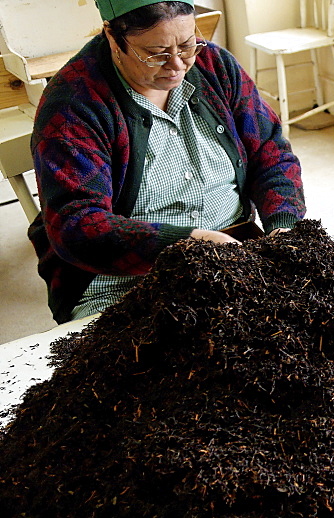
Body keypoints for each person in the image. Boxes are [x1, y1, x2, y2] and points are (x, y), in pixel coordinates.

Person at [29, 0, 306, 323]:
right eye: (156, 53)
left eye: (188, 45)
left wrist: (283, 225)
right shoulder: (74, 105)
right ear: (112, 37)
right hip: (123, 283)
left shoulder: (214, 66)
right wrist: (187, 244)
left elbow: (271, 153)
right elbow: (75, 226)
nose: (177, 65)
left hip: (236, 252)